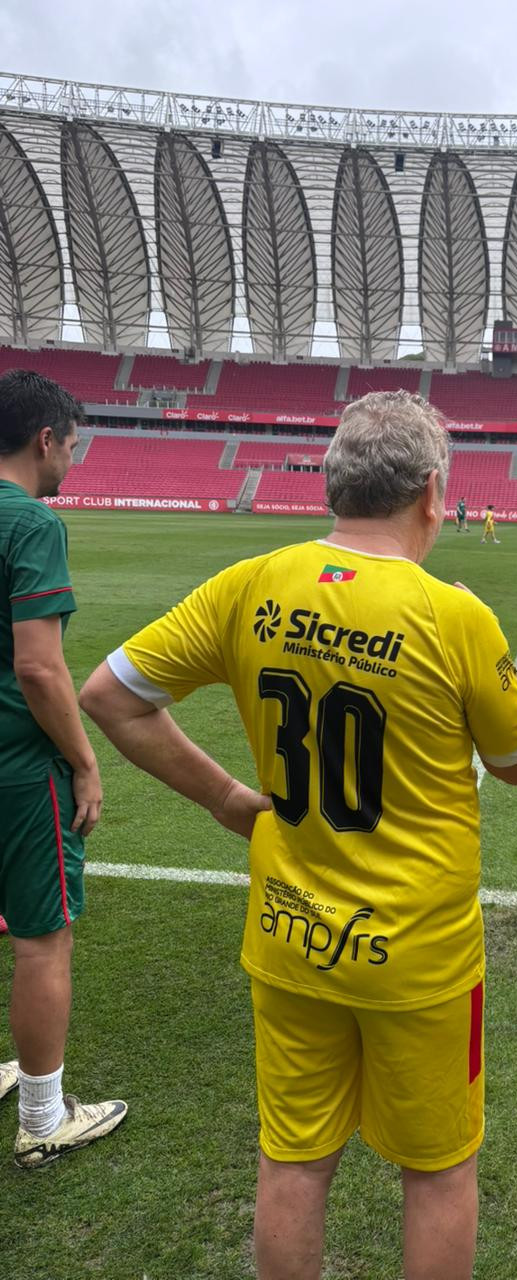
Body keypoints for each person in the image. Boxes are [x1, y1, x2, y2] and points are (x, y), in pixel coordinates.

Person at [79, 390, 517, 1280]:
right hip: (419, 954)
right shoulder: (453, 614)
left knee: (294, 1161)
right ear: (432, 493)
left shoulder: (252, 583)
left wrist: (224, 798)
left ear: (334, 482)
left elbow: (108, 695)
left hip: (290, 934)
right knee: (438, 1172)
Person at [0, 370, 127, 1168]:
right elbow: (40, 668)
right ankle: (44, 1118)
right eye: (72, 446)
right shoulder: (32, 523)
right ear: (45, 439)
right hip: (17, 766)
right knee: (42, 939)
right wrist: (84, 762)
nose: (72, 461)